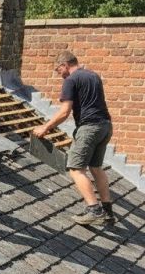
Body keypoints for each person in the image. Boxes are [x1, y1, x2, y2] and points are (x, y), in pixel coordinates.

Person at [32, 51, 114, 225]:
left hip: (89, 128)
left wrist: (45, 128)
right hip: (105, 126)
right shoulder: (93, 75)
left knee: (76, 169)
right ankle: (108, 212)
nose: (59, 74)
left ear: (65, 65)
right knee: (96, 167)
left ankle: (94, 210)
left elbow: (64, 112)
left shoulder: (71, 80)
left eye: (58, 70)